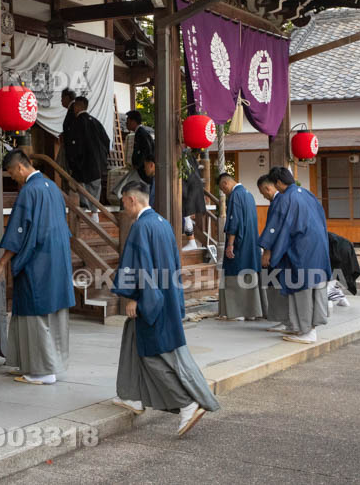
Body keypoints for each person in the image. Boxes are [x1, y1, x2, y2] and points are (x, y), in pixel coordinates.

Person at [112, 180, 219, 436]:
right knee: (136, 343)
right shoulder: (163, 224)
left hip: (152, 299)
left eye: (123, 203)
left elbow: (140, 266)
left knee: (152, 355)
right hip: (167, 296)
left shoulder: (140, 227)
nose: (123, 208)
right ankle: (134, 396)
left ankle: (186, 404)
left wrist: (134, 297)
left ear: (131, 200)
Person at [0, 149, 74, 385]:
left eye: (10, 173)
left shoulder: (29, 191)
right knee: (53, 311)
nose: (13, 178)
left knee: (35, 311)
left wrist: (2, 263)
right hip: (58, 258)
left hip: (38, 260)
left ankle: (42, 371)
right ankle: (42, 363)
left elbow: (19, 232)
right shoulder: (52, 188)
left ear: (19, 168)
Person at [260, 167, 331, 344]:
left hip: (301, 249)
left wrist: (267, 250)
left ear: (277, 182)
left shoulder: (286, 198)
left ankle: (308, 330)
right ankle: (302, 328)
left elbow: (275, 227)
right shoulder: (307, 193)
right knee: (314, 286)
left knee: (302, 287)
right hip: (318, 246)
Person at [216, 173, 267, 321]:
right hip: (252, 242)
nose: (224, 192)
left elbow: (234, 222)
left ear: (225, 184)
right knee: (250, 272)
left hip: (240, 243)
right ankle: (251, 311)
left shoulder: (235, 196)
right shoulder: (248, 194)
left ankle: (238, 312)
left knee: (235, 272)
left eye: (222, 189)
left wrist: (230, 244)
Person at [256, 175, 294, 332]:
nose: (263, 196)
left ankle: (285, 319)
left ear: (268, 188)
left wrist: (266, 251)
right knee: (276, 283)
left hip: (278, 251)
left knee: (277, 284)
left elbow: (273, 229)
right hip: (281, 250)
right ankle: (283, 319)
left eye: (262, 192)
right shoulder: (282, 200)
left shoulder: (279, 201)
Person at [66, 96, 110, 223]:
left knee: (80, 189)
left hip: (81, 165)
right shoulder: (96, 122)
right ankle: (95, 214)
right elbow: (106, 141)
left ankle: (83, 213)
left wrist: (73, 163)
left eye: (74, 106)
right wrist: (102, 158)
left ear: (78, 106)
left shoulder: (76, 123)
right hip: (96, 164)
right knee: (95, 188)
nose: (73, 109)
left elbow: (73, 145)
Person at [181, 150, 207, 251]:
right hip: (194, 184)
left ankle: (191, 242)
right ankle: (191, 242)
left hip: (189, 186)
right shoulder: (189, 155)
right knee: (187, 215)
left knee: (186, 214)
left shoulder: (183, 155)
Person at [57, 89, 77, 175]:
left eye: (62, 98)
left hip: (71, 148)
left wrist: (65, 136)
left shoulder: (74, 109)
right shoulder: (72, 109)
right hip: (70, 146)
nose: (61, 100)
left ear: (67, 97)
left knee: (66, 173)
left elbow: (73, 128)